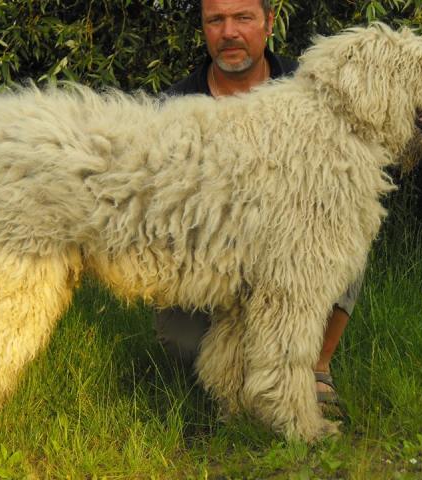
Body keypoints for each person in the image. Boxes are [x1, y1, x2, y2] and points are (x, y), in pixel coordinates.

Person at [156, 0, 363, 409]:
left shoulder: (310, 88)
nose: (229, 32)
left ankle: (314, 367)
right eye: (216, 20)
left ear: (268, 23)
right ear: (204, 29)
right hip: (208, 258)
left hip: (294, 249)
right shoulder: (175, 106)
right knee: (182, 346)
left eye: (243, 18)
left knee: (345, 221)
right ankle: (238, 376)